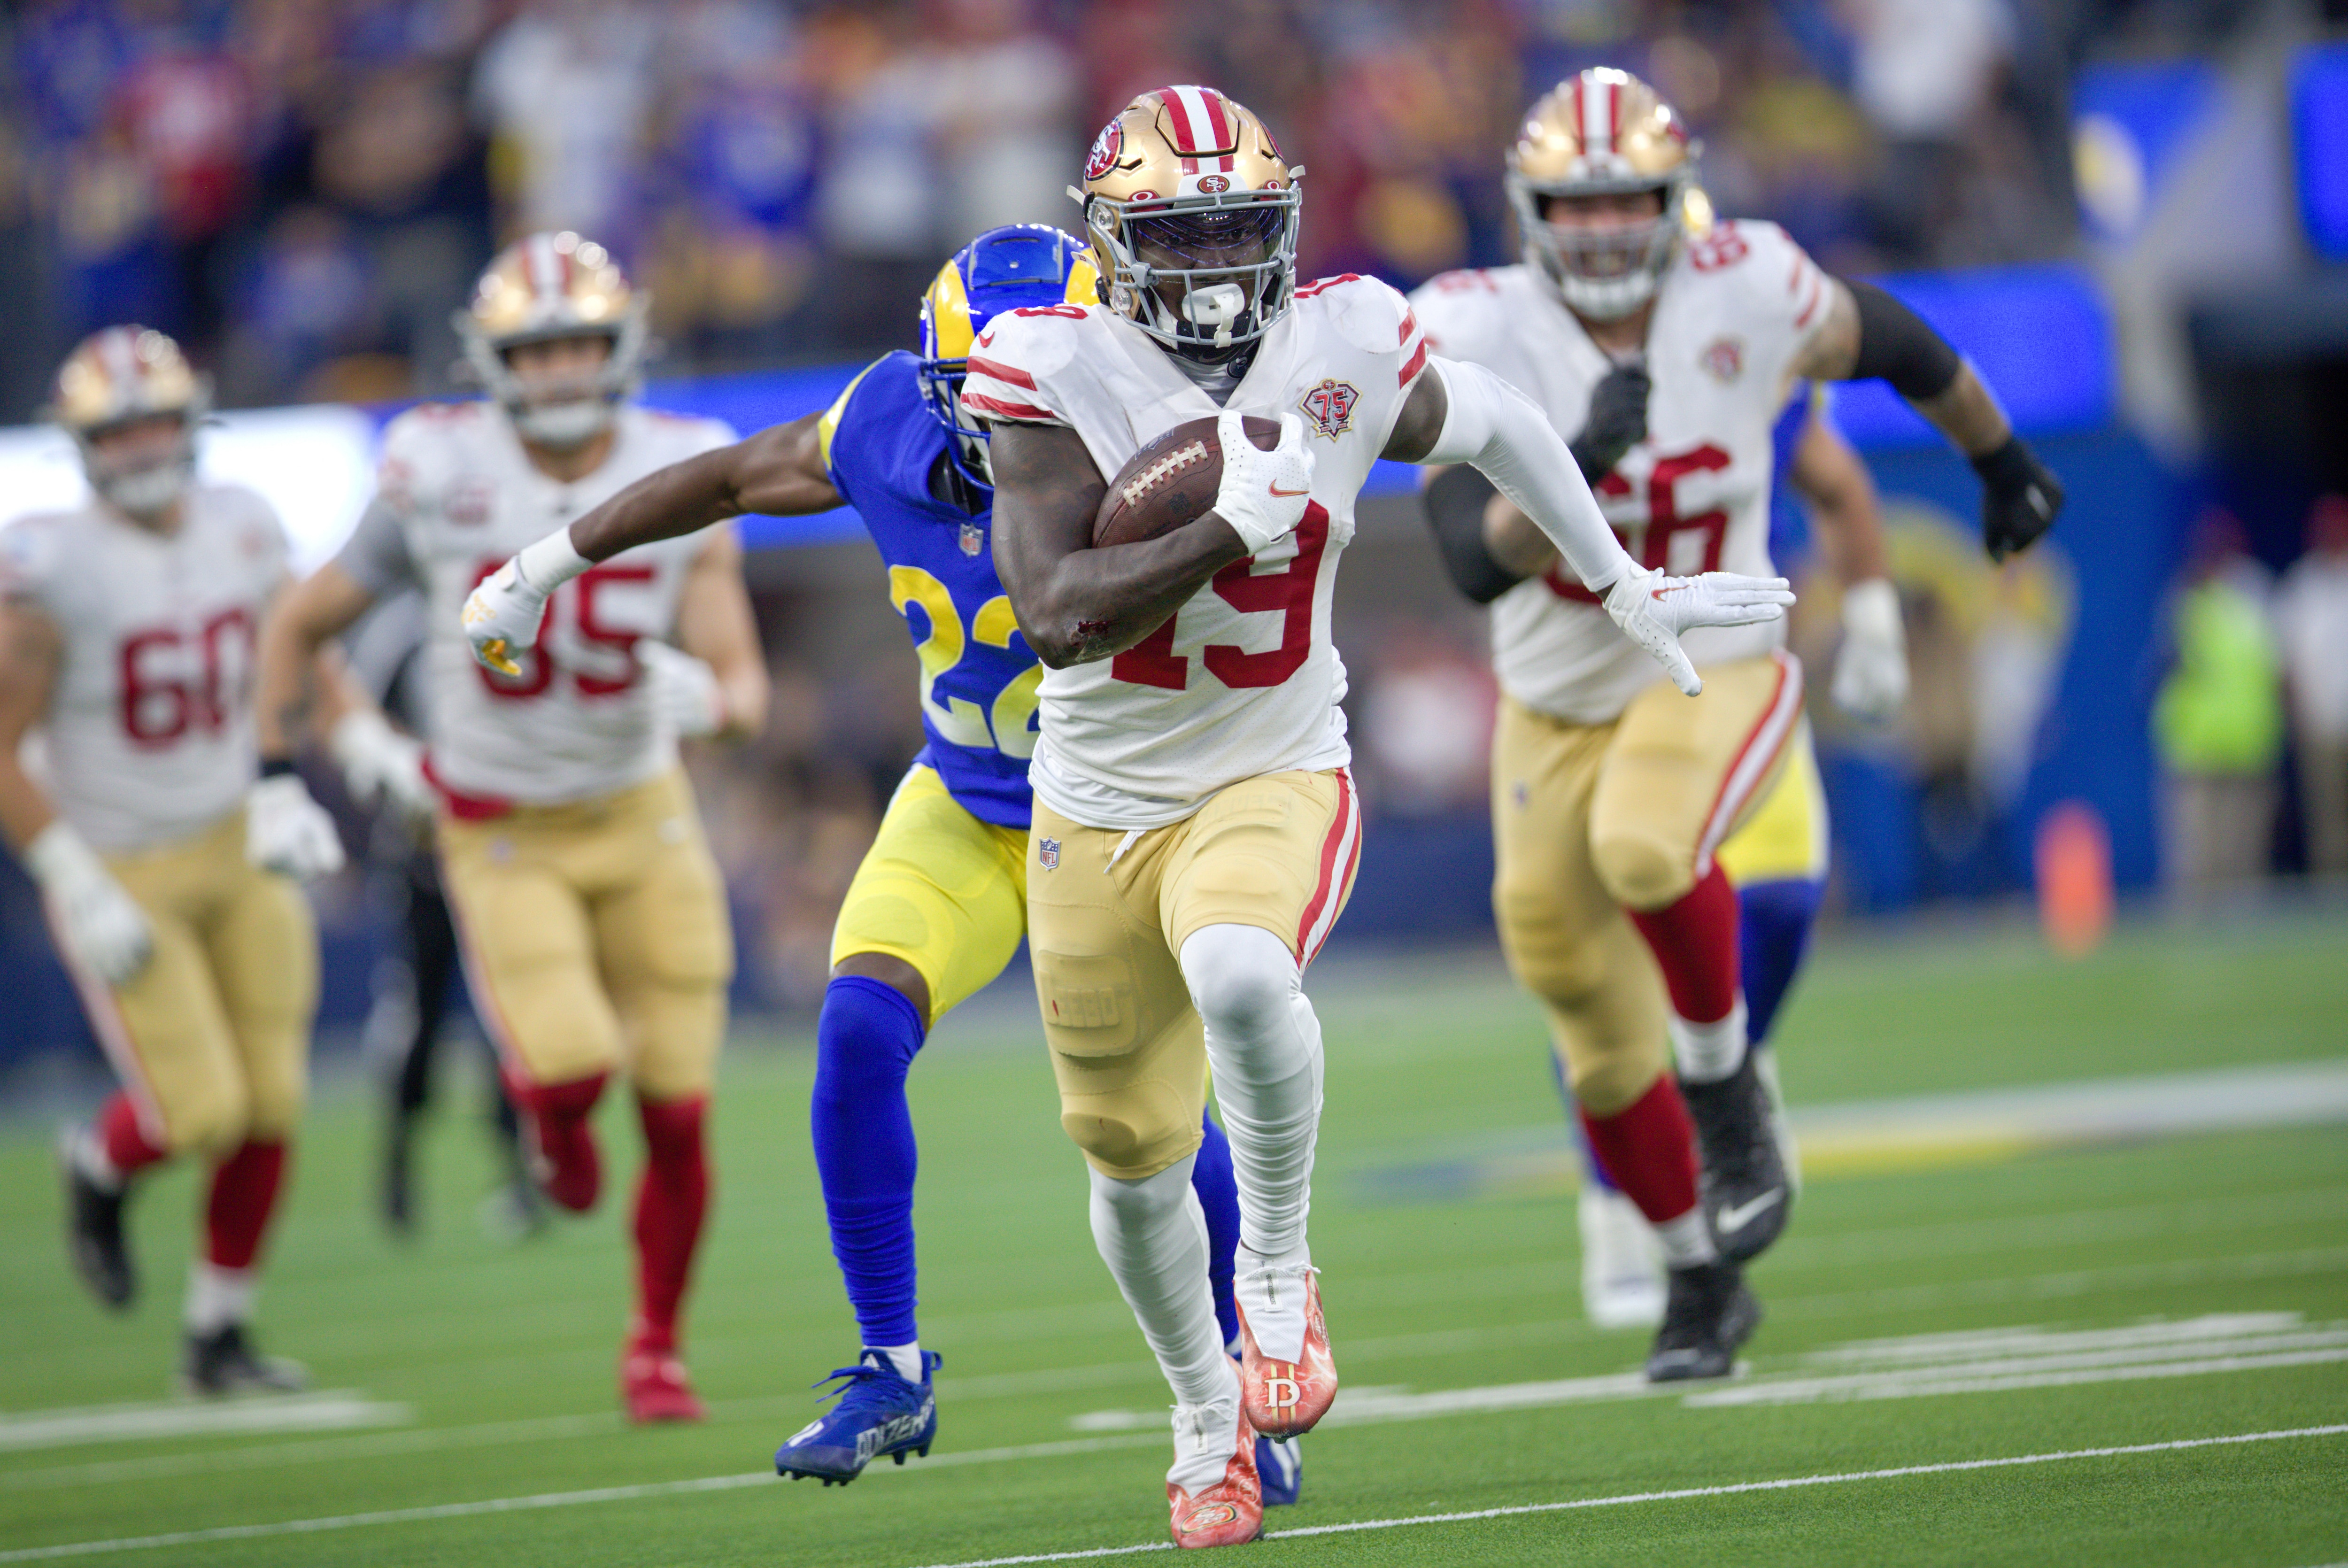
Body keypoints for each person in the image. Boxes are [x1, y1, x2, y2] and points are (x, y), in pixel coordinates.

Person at [961, 85, 1788, 1547]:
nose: (1216, 263)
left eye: (1238, 229)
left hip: (1273, 768)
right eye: (1182, 234)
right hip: (1091, 806)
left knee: (1236, 968)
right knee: (1126, 1153)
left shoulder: (1342, 334)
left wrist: (1624, 583)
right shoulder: (1042, 366)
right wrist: (1232, 525)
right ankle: (1202, 1425)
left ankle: (1277, 1276)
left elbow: (1495, 424)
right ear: (1109, 245)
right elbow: (1048, 614)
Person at [458, 224, 1302, 1503]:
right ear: (931, 376)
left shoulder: (1166, 447)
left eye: (1041, 386)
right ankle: (890, 1364)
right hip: (967, 801)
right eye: (975, 390)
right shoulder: (885, 423)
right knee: (857, 1025)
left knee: (1155, 1132)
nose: (1005, 416)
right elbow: (740, 476)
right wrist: (549, 560)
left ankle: (1254, 1381)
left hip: (1130, 818)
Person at [1411, 67, 2060, 1380]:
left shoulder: (1747, 283)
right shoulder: (1474, 323)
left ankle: (1726, 1094)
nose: (1599, 233)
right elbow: (1471, 562)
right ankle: (1698, 1280)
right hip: (1552, 702)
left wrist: (2000, 461)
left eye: (1626, 203)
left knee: (1648, 849)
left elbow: (1906, 345)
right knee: (1589, 1025)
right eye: (1573, 209)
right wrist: (1573, 464)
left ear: (1676, 198)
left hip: (1714, 658)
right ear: (1528, 212)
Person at [254, 232, 770, 1423]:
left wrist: (714, 705)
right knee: (578, 1061)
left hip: (643, 812)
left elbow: (746, 694)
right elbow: (301, 621)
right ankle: (553, 1133)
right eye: (535, 350)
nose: (558, 370)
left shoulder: (683, 463)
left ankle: (656, 1345)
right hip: (499, 826)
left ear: (623, 344)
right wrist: (325, 756)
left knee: (682, 1100)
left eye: (579, 342)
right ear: (493, 360)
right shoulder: (439, 467)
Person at [0, 326, 371, 1393]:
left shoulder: (245, 524)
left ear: (193, 419)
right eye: (119, 428)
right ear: (82, 444)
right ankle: (96, 1160)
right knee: (195, 1111)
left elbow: (307, 654)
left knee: (272, 1103)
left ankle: (218, 1333)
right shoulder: (47, 559)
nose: (143, 444)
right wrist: (71, 878)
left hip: (237, 838)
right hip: (123, 862)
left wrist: (359, 745)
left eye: (158, 419)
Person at [1550, 386, 1903, 1329]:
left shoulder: (1745, 353)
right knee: (1597, 966)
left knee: (1783, 899)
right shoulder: (1537, 353)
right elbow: (1483, 532)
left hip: (1733, 674)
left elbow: (1838, 478)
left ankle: (1727, 1074)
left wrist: (1870, 610)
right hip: (1597, 696)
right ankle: (1614, 1207)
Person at [2153, 512, 2283, 901]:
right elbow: (2167, 664)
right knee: (2197, 848)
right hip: (2196, 741)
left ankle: (2242, 920)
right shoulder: (2186, 598)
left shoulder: (2254, 593)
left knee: (2243, 847)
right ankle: (2194, 919)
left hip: (2248, 738)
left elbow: (2275, 666)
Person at [2275, 494, 2348, 878]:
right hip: (2321, 723)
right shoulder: (2301, 586)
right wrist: (2297, 717)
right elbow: (2288, 663)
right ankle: (2336, 895)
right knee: (2328, 817)